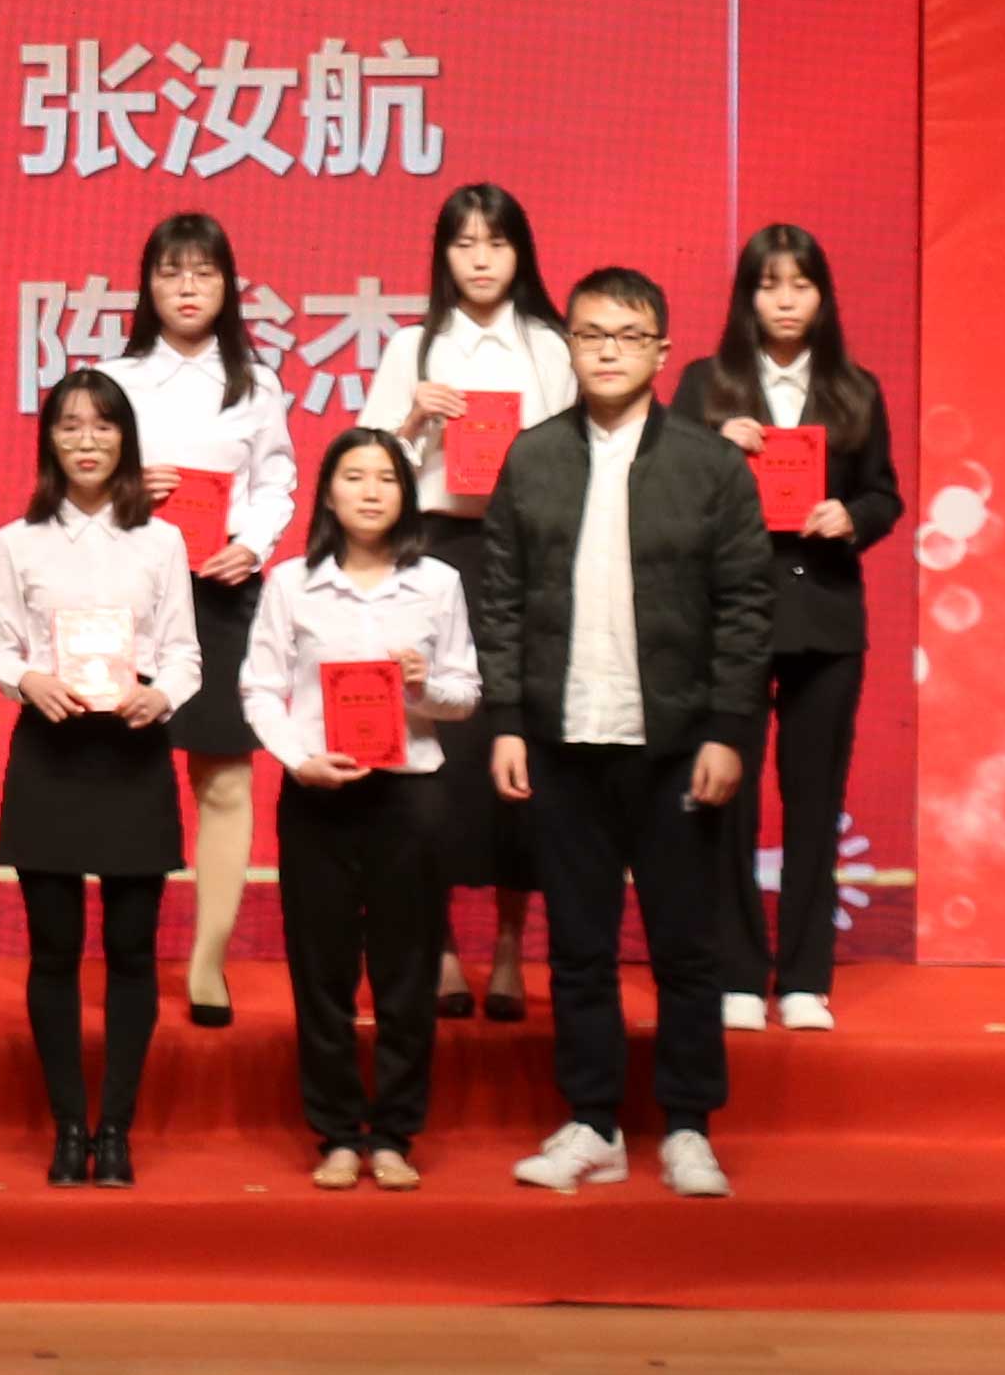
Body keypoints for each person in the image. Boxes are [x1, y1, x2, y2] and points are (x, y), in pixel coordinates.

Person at [477, 267, 772, 1200]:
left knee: (686, 948)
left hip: (678, 743)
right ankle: (592, 1124)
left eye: (627, 335)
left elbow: (745, 607)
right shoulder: (531, 458)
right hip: (562, 739)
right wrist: (506, 721)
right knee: (577, 947)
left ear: (661, 351)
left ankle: (688, 1127)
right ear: (568, 345)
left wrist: (727, 730)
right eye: (591, 334)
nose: (607, 351)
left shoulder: (709, 465)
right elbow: (500, 601)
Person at [240, 428, 479, 1189]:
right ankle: (338, 1133)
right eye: (354, 476)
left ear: (406, 495)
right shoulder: (291, 584)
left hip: (411, 796)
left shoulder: (437, 583)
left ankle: (396, 1134)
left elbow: (464, 695)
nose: (370, 491)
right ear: (328, 493)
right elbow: (259, 688)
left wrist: (424, 685)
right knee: (323, 971)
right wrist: (297, 759)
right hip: (320, 793)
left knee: (408, 973)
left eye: (386, 478)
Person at [680, 224, 904, 1032]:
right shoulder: (706, 385)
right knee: (726, 799)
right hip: (730, 619)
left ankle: (805, 978)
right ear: (745, 296)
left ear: (821, 296)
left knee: (815, 802)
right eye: (767, 284)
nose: (783, 301)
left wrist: (851, 516)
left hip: (824, 618)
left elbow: (884, 494)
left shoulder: (854, 389)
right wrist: (713, 447)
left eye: (799, 285)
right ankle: (737, 973)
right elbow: (661, 487)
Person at [0, 369, 200, 1192]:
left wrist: (160, 694)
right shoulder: (17, 541)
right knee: (53, 952)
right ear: (48, 439)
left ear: (124, 441)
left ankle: (116, 1130)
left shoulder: (161, 541)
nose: (85, 440)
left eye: (102, 426)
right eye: (69, 425)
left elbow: (182, 652)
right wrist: (26, 681)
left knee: (132, 951)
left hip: (132, 751)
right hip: (50, 751)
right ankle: (66, 1126)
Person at [362, 183, 574, 1021]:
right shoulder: (411, 349)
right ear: (441, 255)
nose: (480, 259)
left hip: (528, 558)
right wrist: (412, 421)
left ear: (520, 253)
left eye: (495, 242)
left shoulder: (551, 347)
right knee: (438, 747)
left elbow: (581, 463)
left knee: (519, 745)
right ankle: (443, 945)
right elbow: (367, 469)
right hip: (433, 549)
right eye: (463, 243)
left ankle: (512, 947)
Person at [102, 211, 297, 1029]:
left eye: (203, 273)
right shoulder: (111, 381)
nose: (187, 288)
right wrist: (122, 491)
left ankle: (208, 962)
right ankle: (129, 955)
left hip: (220, 591)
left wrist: (251, 545)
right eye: (170, 272)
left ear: (227, 287)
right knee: (127, 775)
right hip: (127, 594)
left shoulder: (255, 384)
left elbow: (275, 482)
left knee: (223, 779)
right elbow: (71, 477)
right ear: (147, 285)